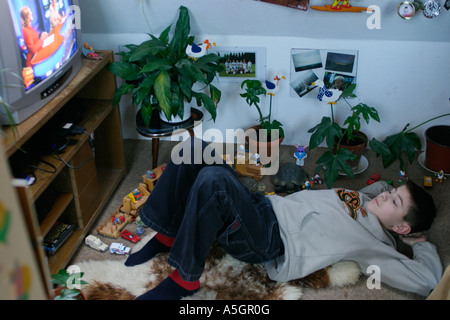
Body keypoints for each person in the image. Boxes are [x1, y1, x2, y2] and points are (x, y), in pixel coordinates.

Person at [125, 138, 442, 300]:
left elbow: (427, 281)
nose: (387, 195)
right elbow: (385, 185)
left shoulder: (376, 245)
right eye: (393, 191)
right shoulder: (372, 198)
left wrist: (417, 241)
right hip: (263, 206)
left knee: (212, 181)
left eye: (396, 201)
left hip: (267, 238)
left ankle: (185, 278)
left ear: (400, 226)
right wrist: (397, 193)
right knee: (192, 149)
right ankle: (167, 236)